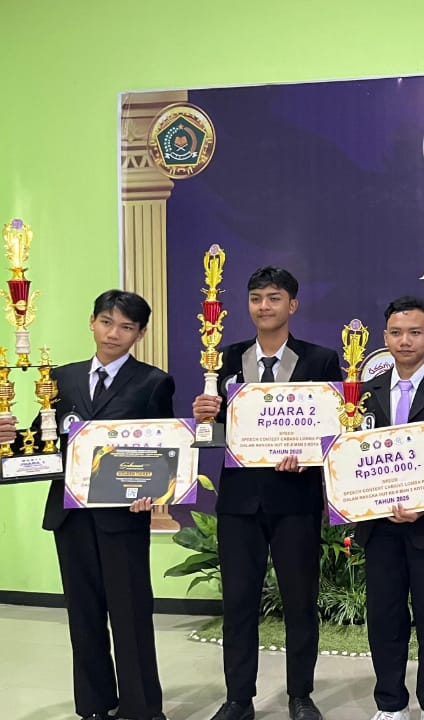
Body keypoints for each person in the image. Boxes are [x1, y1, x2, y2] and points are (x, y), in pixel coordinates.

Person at [0, 290, 173, 720]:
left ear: (140, 333)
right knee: (83, 614)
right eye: (107, 322)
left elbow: (164, 449)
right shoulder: (60, 378)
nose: (115, 333)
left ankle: (141, 708)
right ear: (92, 322)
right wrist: (9, 435)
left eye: (127, 327)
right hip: (70, 515)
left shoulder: (154, 382)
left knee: (131, 614)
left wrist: (155, 491)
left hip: (123, 517)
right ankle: (94, 704)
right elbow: (44, 438)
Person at [191, 266, 341, 720]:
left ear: (291, 305)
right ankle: (239, 698)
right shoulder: (224, 358)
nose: (264, 306)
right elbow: (212, 433)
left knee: (299, 602)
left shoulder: (321, 359)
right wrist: (204, 416)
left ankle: (300, 695)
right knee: (237, 602)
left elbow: (333, 429)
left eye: (274, 298)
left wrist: (308, 454)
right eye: (256, 298)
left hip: (295, 499)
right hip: (239, 500)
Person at [355, 296, 424, 720]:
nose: (406, 341)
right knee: (384, 617)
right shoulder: (363, 395)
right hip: (379, 527)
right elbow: (352, 459)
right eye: (397, 333)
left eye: (415, 332)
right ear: (385, 338)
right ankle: (390, 703)